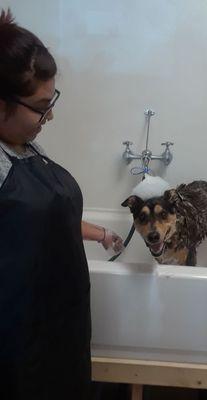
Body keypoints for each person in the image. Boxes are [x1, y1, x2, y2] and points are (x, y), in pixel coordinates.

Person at [0, 9, 124, 400]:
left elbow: (43, 219)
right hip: (19, 342)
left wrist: (98, 232)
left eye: (51, 100)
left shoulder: (24, 144)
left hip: (61, 328)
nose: (49, 114)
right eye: (39, 105)